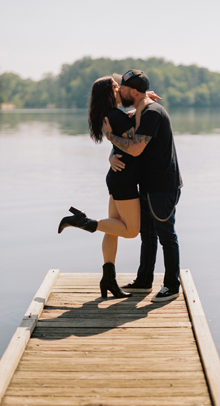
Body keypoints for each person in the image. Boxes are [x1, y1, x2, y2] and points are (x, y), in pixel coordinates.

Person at [58, 75, 154, 298]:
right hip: (124, 180)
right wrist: (143, 104)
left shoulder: (112, 115)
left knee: (113, 228)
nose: (119, 88)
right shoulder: (115, 117)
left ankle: (108, 279)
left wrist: (142, 102)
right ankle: (83, 222)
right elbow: (135, 144)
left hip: (117, 176)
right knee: (131, 231)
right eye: (115, 86)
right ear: (109, 94)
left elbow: (125, 131)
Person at [103, 69, 183, 302]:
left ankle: (171, 286)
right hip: (147, 184)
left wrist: (110, 137)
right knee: (147, 235)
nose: (119, 90)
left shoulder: (152, 113)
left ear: (135, 92)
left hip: (163, 185)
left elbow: (135, 148)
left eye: (122, 88)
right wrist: (112, 154)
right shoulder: (140, 110)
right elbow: (127, 139)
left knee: (166, 235)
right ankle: (144, 280)